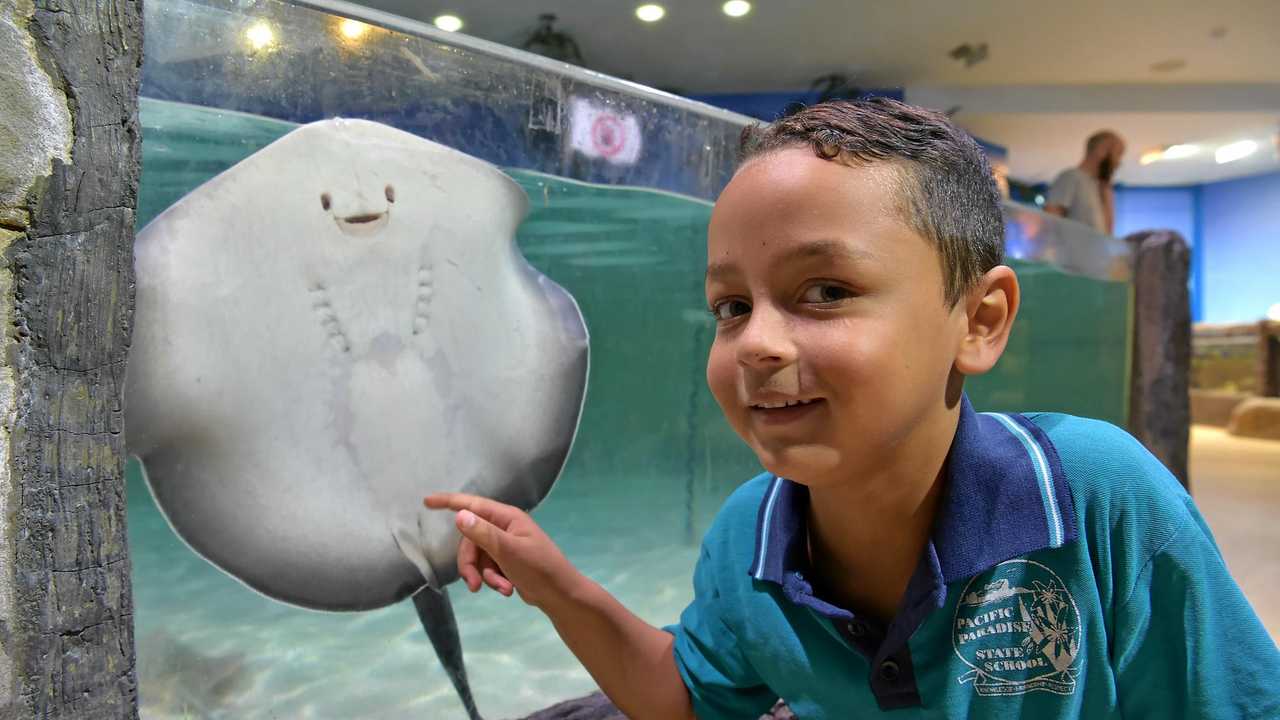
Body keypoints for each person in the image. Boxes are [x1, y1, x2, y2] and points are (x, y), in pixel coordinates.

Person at [425, 99, 1279, 719]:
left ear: (978, 322)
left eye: (825, 290)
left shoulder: (1100, 500)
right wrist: (557, 584)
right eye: (731, 307)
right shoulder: (750, 535)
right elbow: (688, 696)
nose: (756, 343)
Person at [1043, 130, 1125, 234]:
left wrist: (1106, 193)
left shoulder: (1100, 189)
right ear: (1102, 150)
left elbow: (1106, 236)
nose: (1118, 163)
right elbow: (1050, 225)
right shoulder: (1071, 177)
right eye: (1118, 154)